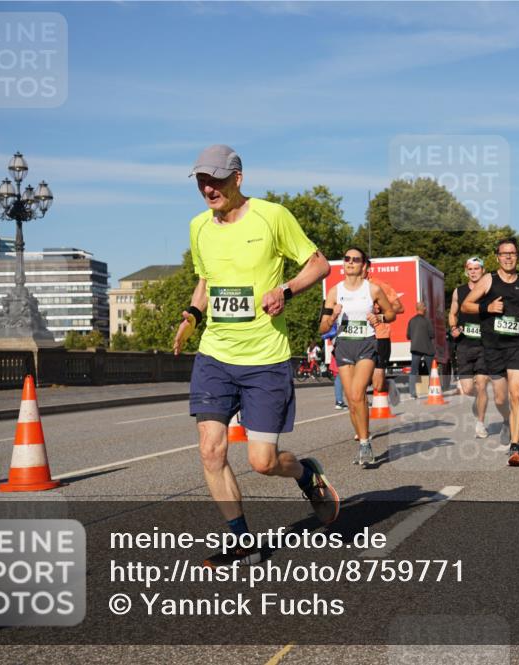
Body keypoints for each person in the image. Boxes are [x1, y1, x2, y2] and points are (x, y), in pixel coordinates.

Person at [173, 144, 338, 568]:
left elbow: (319, 265)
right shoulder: (198, 227)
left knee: (262, 462)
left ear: (238, 178)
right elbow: (207, 281)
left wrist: (285, 290)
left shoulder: (272, 217)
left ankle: (304, 473)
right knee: (211, 451)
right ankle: (241, 540)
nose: (208, 188)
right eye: (201, 180)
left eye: (215, 179)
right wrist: (192, 315)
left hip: (265, 358)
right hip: (215, 355)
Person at [461, 237, 519, 467]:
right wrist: (488, 307)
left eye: (512, 253)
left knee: (517, 394)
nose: (508, 257)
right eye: (504, 253)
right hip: (493, 346)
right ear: (497, 257)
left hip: (517, 344)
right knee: (501, 398)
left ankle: (515, 447)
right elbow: (467, 305)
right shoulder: (488, 280)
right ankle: (507, 420)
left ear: (517, 256)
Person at [319, 247, 397, 467]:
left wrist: (379, 316)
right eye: (346, 259)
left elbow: (390, 314)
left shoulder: (372, 290)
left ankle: (365, 445)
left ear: (363, 265)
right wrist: (333, 316)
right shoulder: (334, 292)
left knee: (356, 393)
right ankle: (363, 441)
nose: (350, 262)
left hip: (366, 344)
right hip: (343, 346)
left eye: (356, 260)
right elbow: (322, 327)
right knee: (353, 402)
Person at [448, 256, 490, 439]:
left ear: (483, 270)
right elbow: (452, 313)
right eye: (470, 269)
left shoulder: (489, 290)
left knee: (482, 386)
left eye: (477, 268)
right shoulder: (459, 291)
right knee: (467, 389)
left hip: (484, 345)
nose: (473, 272)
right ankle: (478, 401)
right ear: (466, 271)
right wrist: (453, 328)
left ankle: (480, 424)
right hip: (464, 344)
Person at [366, 265, 404, 401]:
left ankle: (388, 384)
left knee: (377, 383)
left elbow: (399, 307)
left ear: (366, 267)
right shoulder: (346, 288)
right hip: (357, 339)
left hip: (379, 336)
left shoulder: (378, 286)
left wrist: (379, 315)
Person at [406, 301, 436, 400]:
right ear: (423, 308)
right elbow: (432, 334)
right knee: (432, 370)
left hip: (415, 348)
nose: (426, 308)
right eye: (425, 306)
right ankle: (433, 390)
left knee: (413, 371)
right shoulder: (427, 321)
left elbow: (408, 336)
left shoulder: (411, 321)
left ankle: (412, 393)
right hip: (427, 348)